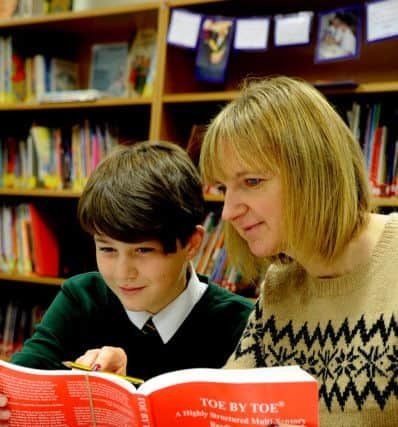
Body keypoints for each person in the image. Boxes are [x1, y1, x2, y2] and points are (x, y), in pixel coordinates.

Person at [199, 76, 398, 426]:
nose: (229, 211)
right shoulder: (280, 285)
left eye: (252, 182)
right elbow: (227, 409)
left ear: (312, 170)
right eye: (224, 188)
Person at [1, 141, 252, 392]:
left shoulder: (244, 323)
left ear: (192, 244)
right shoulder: (82, 298)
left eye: (143, 251)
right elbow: (22, 376)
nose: (123, 273)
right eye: (107, 249)